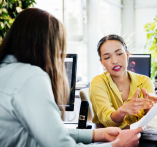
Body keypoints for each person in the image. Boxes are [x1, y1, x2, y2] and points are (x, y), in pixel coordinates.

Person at [0, 8, 143, 147]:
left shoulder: (6, 71)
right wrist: (117, 145)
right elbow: (60, 144)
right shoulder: (31, 77)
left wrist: (96, 135)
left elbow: (51, 132)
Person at [89, 35, 157, 129]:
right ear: (101, 62)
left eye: (119, 54)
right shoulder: (98, 82)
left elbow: (150, 122)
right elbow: (107, 121)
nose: (114, 61)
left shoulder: (145, 82)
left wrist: (151, 110)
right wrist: (123, 110)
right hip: (108, 141)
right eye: (107, 57)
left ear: (127, 55)